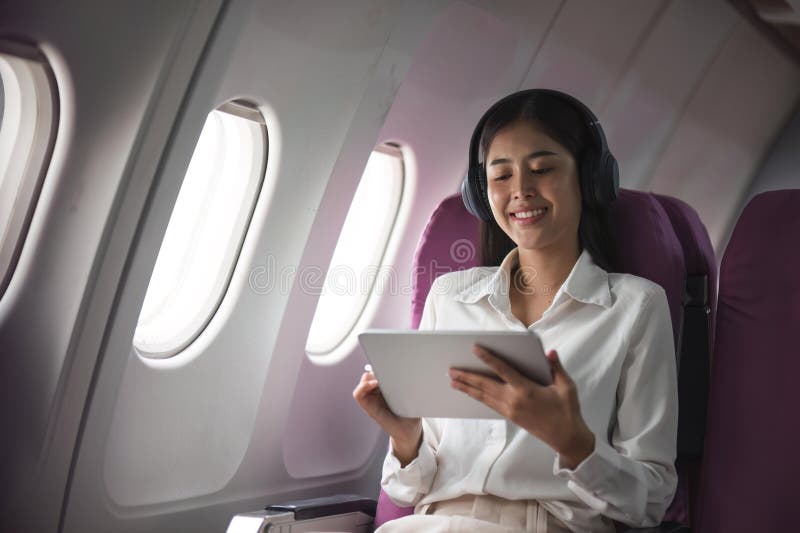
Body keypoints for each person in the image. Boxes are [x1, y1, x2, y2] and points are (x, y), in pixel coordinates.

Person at [353, 89, 678, 532]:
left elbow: (651, 501)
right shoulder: (450, 297)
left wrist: (576, 445)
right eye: (501, 176)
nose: (521, 191)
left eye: (542, 170)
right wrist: (405, 437)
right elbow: (406, 491)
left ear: (589, 179)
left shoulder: (635, 308)